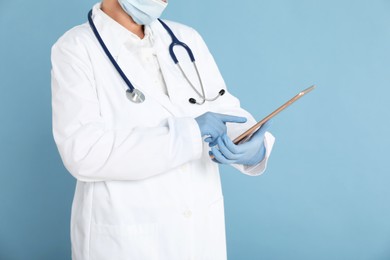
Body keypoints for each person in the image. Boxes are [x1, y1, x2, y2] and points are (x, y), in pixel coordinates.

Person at [51, 0, 275, 259]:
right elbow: (83, 152)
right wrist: (189, 134)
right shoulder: (75, 48)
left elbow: (225, 109)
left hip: (199, 231)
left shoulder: (186, 38)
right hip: (127, 237)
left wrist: (250, 144)